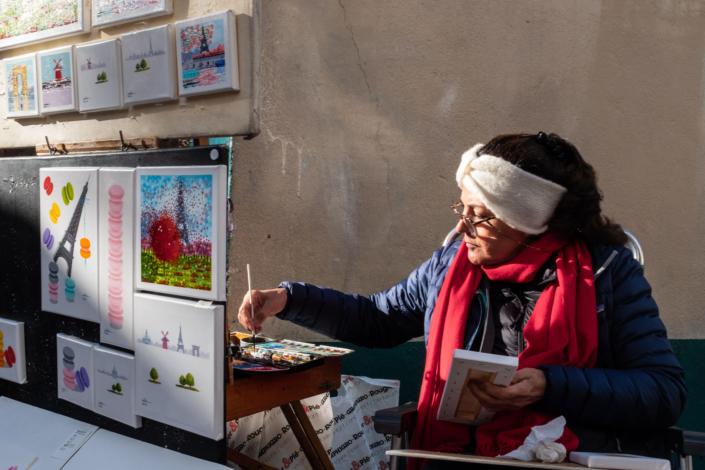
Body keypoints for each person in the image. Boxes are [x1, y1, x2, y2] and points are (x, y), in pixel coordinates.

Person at [238, 132, 686, 468]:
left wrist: (552, 385)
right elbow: (377, 318)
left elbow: (663, 392)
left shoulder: (606, 276)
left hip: (563, 459)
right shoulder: (451, 267)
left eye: (481, 216)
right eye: (462, 210)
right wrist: (288, 299)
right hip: (455, 457)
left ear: (527, 221)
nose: (464, 228)